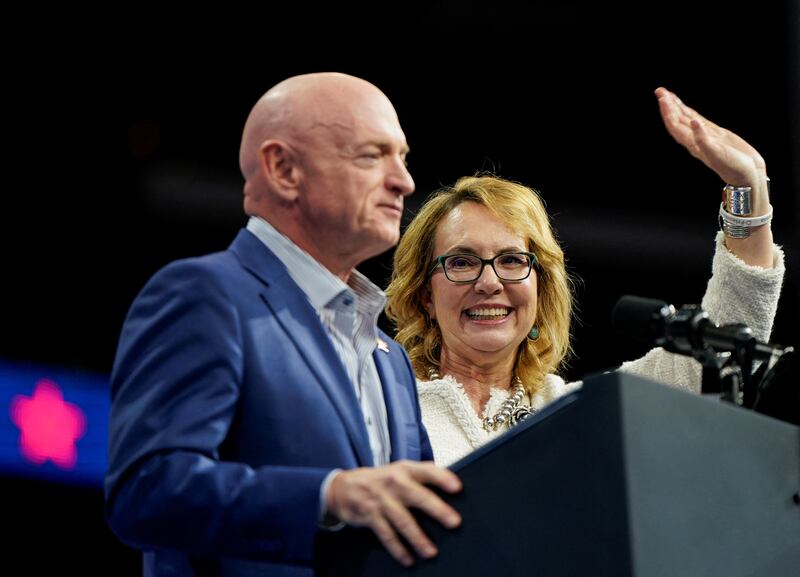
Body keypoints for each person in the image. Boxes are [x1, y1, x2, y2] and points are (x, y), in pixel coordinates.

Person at [104, 72, 463, 577]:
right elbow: (147, 489)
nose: (403, 180)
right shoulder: (207, 295)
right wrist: (328, 495)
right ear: (284, 169)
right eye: (371, 155)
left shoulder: (391, 358)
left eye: (402, 157)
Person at [385, 87, 785, 466]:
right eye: (462, 263)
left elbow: (715, 354)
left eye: (511, 261)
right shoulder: (383, 409)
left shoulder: (583, 414)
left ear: (540, 289)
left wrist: (747, 187)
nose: (489, 283)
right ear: (424, 295)